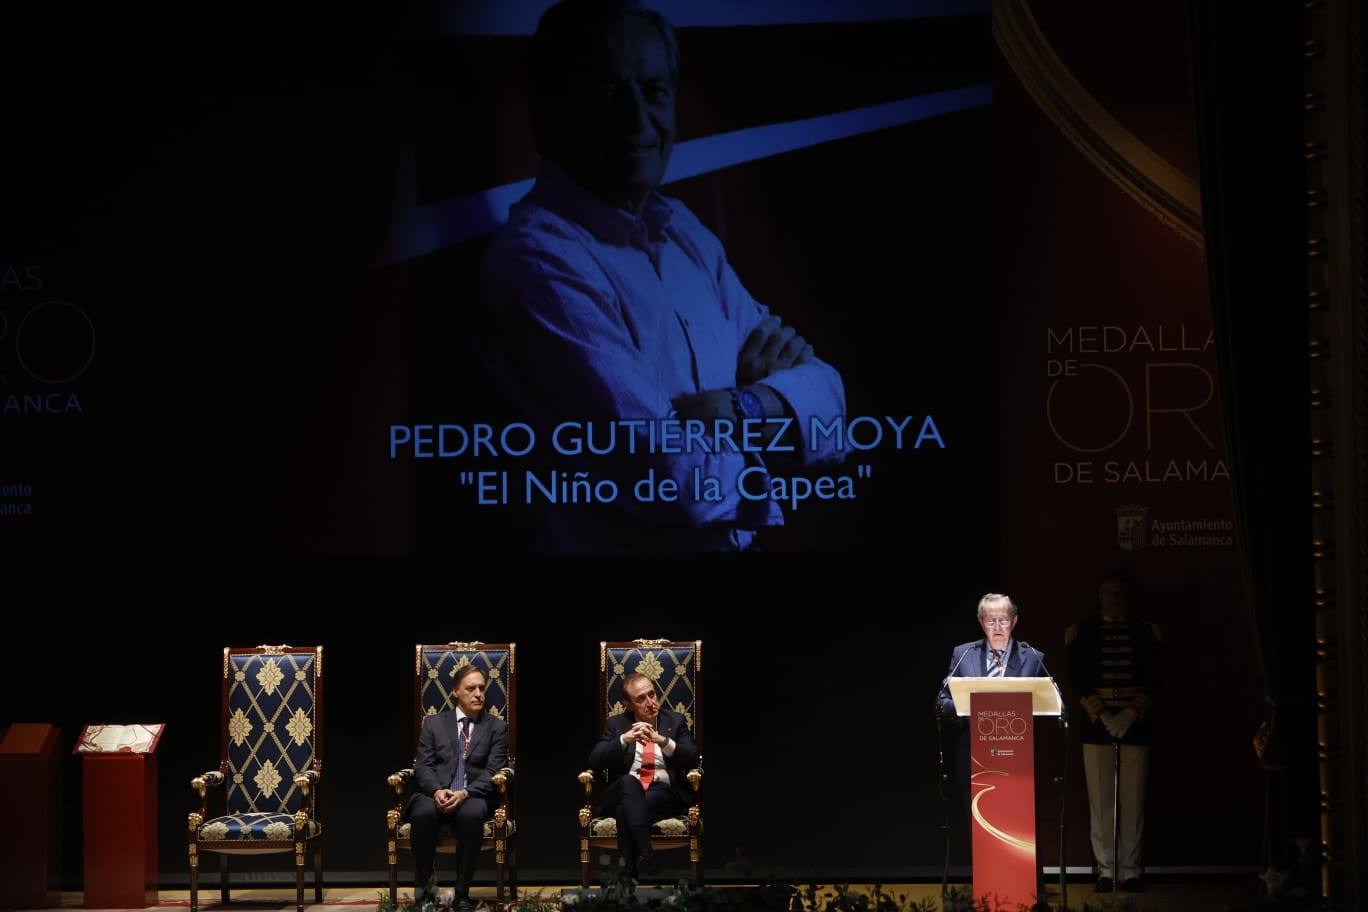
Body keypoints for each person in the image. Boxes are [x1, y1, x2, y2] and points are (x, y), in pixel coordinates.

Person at [477, 0, 846, 552]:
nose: (636, 120)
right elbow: (676, 480)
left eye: (653, 92)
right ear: (553, 106)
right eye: (606, 93)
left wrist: (740, 407)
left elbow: (832, 404)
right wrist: (779, 422)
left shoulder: (683, 234)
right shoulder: (536, 263)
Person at [1066, 571, 1161, 894]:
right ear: (1099, 598)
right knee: (1101, 800)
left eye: (1119, 594)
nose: (1114, 599)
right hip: (1097, 725)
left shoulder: (1145, 632)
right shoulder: (1082, 633)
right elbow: (1077, 677)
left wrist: (1131, 712)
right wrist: (1103, 714)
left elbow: (1154, 677)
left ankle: (1131, 870)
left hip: (1135, 724)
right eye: (1108, 594)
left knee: (1133, 801)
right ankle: (1106, 869)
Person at [936, 593, 1045, 861]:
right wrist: (969, 704)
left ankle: (1031, 896)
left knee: (1019, 833)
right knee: (980, 835)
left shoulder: (1032, 656)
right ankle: (985, 898)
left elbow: (1048, 703)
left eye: (1003, 620)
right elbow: (942, 702)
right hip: (975, 759)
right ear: (981, 622)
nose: (997, 627)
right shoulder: (963, 654)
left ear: (1015, 621)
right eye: (990, 620)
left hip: (1018, 762)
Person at [404, 665, 509, 910]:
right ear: (455, 692)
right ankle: (426, 893)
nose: (478, 694)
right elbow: (423, 766)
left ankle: (462, 894)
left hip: (473, 793)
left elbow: (493, 770)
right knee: (423, 812)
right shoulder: (434, 724)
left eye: (482, 688)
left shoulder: (496, 727)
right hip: (436, 793)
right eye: (471, 688)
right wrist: (436, 791)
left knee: (471, 814)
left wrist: (465, 792)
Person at [588, 671, 699, 879]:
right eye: (641, 699)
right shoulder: (617, 724)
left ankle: (628, 872)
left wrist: (662, 741)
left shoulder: (675, 721)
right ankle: (646, 853)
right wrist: (624, 739)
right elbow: (595, 760)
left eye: (652, 694)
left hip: (661, 793)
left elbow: (693, 756)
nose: (650, 702)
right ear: (628, 704)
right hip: (623, 788)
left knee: (625, 809)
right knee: (629, 783)